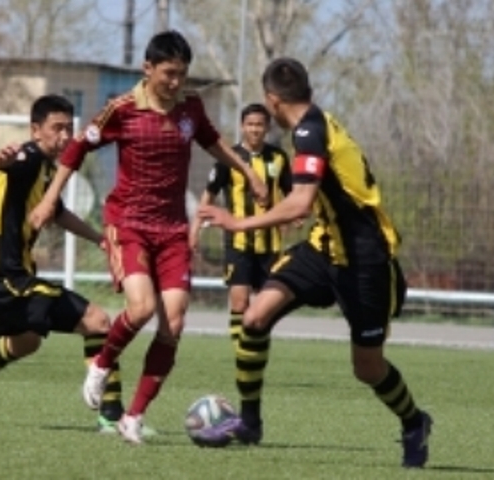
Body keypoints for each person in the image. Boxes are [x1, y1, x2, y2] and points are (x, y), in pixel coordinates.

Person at [27, 30, 268, 444]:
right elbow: (77, 149)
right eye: (169, 73)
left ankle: (133, 416)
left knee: (173, 322)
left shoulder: (191, 106)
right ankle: (101, 364)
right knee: (140, 309)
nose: (176, 82)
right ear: (148, 68)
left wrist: (247, 172)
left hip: (172, 229)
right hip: (129, 224)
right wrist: (50, 198)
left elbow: (212, 142)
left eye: (182, 74)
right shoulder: (121, 109)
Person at [196, 58, 433, 468]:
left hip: (365, 260)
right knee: (254, 317)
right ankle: (249, 423)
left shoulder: (309, 131)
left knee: (367, 367)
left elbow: (300, 202)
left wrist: (238, 222)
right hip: (324, 247)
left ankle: (414, 423)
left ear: (272, 100)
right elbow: (309, 198)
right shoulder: (314, 125)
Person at [0, 95, 125, 429]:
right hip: (2, 276)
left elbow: (57, 213)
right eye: (57, 128)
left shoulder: (47, 168)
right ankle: (113, 416)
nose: (65, 136)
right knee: (98, 321)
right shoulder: (29, 157)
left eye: (69, 128)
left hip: (15, 274)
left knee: (26, 342)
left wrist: (100, 239)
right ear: (36, 130)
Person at [189, 103, 293, 348]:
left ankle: (256, 349)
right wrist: (195, 230)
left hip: (270, 243)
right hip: (238, 243)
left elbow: (292, 194)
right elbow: (209, 195)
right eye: (250, 124)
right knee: (239, 301)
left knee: (264, 306)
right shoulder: (228, 159)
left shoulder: (278, 158)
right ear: (242, 127)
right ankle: (240, 351)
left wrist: (291, 218)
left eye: (259, 125)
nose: (255, 129)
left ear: (267, 127)